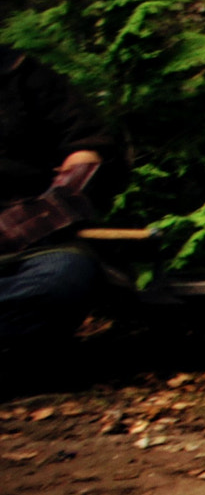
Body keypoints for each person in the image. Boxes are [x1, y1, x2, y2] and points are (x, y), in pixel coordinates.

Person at [0, 51, 121, 379]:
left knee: (64, 275)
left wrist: (43, 214)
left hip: (32, 238)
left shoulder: (26, 76)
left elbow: (87, 147)